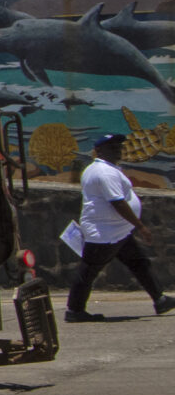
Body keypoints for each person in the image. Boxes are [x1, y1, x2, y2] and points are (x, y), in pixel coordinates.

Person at [64, 131, 170, 320]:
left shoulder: (102, 169)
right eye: (112, 148)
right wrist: (140, 227)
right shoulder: (105, 173)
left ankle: (160, 300)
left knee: (139, 263)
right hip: (105, 234)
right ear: (98, 151)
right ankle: (74, 311)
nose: (118, 151)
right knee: (88, 271)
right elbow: (118, 202)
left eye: (119, 147)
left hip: (118, 231)